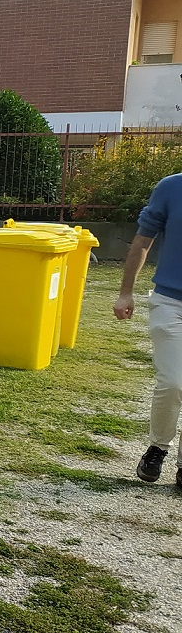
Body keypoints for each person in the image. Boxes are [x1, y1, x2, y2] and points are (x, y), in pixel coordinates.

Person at [116, 172, 182, 483]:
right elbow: (142, 241)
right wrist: (126, 292)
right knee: (173, 381)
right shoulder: (170, 187)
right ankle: (158, 448)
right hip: (170, 301)